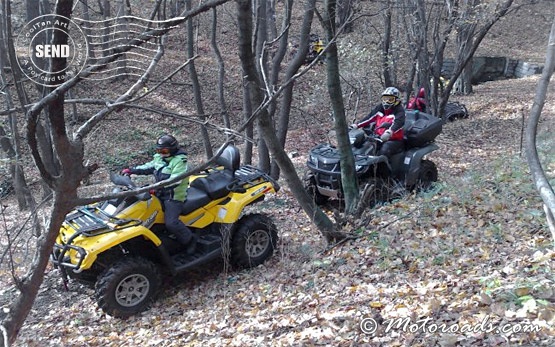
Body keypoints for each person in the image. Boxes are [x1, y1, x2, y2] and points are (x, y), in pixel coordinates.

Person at [122, 134, 196, 253]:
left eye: (164, 150)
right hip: (159, 193)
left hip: (174, 197)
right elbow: (148, 167)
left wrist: (156, 188)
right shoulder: (159, 158)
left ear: (172, 149)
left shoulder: (180, 162)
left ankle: (190, 240)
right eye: (159, 150)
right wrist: (131, 170)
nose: (161, 153)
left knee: (171, 223)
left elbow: (175, 180)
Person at [353, 87, 406, 157]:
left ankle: (384, 167)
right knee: (363, 147)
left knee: (384, 150)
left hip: (394, 140)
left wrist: (389, 132)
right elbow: (369, 118)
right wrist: (356, 125)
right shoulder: (380, 108)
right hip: (377, 137)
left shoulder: (399, 111)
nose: (386, 102)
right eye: (385, 99)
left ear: (397, 100)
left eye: (390, 99)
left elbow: (398, 123)